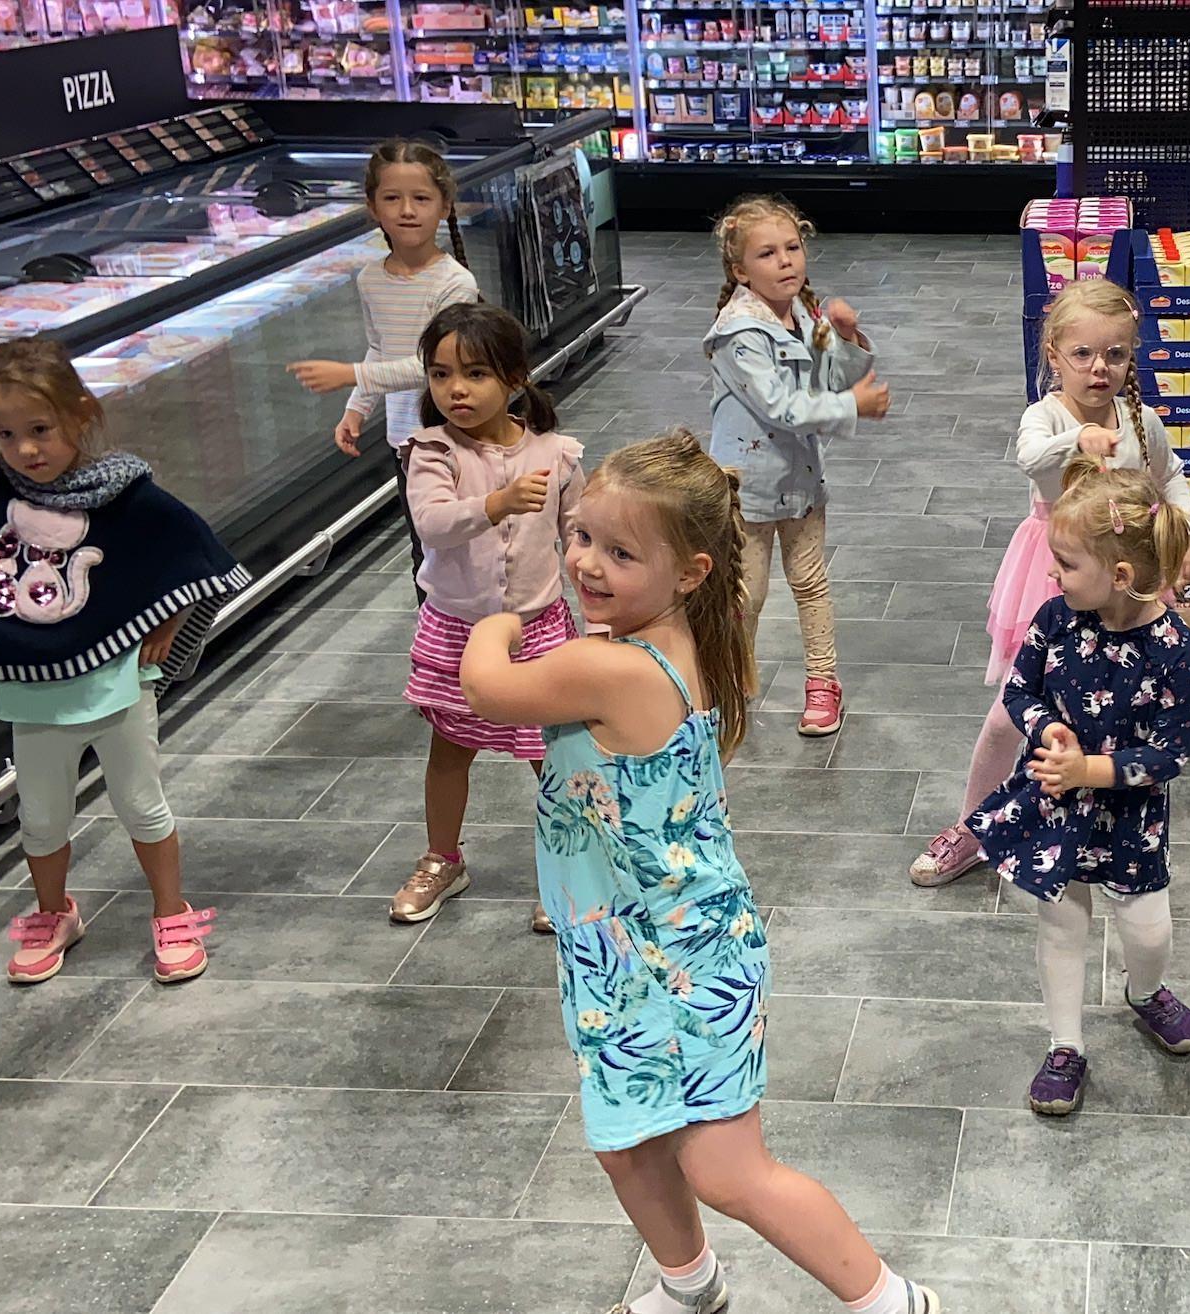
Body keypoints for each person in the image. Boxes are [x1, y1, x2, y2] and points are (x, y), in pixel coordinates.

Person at [461, 430, 940, 1314]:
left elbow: (488, 689)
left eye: (619, 552)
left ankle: (892, 1302)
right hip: (627, 952)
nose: (586, 565)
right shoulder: (674, 637)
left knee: (728, 1171)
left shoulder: (609, 668)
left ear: (690, 571)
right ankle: (691, 1288)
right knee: (626, 1142)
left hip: (678, 963)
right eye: (579, 537)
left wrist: (493, 623)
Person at [0, 338, 248, 983]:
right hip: (31, 691)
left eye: (40, 429)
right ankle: (54, 912)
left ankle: (171, 908)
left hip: (116, 685)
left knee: (142, 804)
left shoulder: (121, 492)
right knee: (42, 819)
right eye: (6, 433)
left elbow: (189, 553)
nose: (26, 449)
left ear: (80, 415)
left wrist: (170, 615)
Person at [911, 276, 1190, 887]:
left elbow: (1171, 476)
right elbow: (1029, 456)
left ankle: (1092, 825)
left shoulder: (1141, 421)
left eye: (1116, 354)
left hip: (1123, 587)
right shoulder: (1044, 415)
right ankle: (971, 828)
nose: (1100, 368)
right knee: (1005, 717)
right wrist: (1079, 436)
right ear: (1054, 356)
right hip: (1054, 581)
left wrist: (1188, 534)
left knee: (1108, 713)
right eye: (1083, 354)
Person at [969, 461, 1190, 1116]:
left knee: (1148, 929)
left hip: (1133, 819)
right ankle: (1065, 1044)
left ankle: (1144, 991)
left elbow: (1169, 753)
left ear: (1120, 576)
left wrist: (1091, 770)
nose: (1053, 575)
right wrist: (1047, 729)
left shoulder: (1176, 651)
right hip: (1057, 807)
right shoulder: (1055, 619)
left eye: (1067, 564)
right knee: (1062, 923)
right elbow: (1020, 691)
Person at [393, 302, 581, 936]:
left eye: (474, 374)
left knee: (553, 757)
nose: (455, 390)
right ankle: (443, 858)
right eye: (441, 375)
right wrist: (496, 503)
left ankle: (572, 872)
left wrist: (607, 618)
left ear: (516, 377)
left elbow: (578, 538)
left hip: (538, 632)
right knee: (451, 748)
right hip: (456, 630)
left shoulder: (556, 453)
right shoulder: (431, 451)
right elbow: (433, 524)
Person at [705, 193, 890, 738]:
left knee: (810, 583)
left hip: (802, 482)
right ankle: (730, 679)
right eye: (767, 254)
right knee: (747, 593)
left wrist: (849, 338)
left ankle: (822, 681)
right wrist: (853, 406)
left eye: (792, 247)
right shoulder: (738, 336)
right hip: (749, 489)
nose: (785, 260)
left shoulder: (805, 314)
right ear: (740, 269)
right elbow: (781, 407)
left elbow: (829, 376)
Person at [287, 138, 480, 591]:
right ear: (373, 207)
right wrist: (358, 408)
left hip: (454, 435)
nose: (407, 210)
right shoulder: (371, 279)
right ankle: (437, 646)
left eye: (421, 198)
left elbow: (436, 367)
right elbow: (379, 347)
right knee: (423, 549)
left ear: (445, 206)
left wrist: (350, 375)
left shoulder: (455, 284)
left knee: (466, 548)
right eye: (392, 198)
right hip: (405, 441)